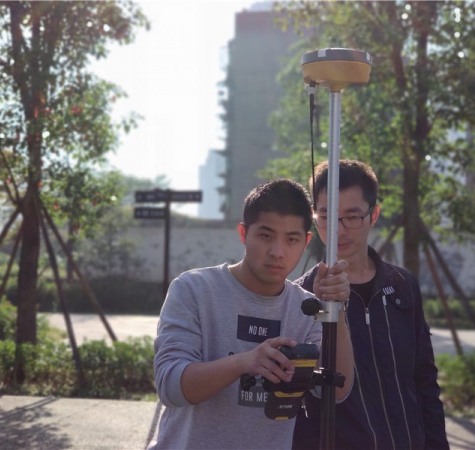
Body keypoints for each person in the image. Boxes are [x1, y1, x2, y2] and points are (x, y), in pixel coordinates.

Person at [149, 179, 352, 450]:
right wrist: (244, 362)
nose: (277, 252)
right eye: (266, 235)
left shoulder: (307, 309)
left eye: (291, 239)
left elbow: (337, 391)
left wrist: (337, 309)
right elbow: (170, 387)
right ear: (244, 233)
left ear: (305, 242)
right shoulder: (193, 289)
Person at [292, 160, 449, 449]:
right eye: (326, 216)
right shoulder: (302, 298)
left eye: (352, 217)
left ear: (373, 215)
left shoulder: (403, 286)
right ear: (314, 217)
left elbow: (425, 382)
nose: (339, 230)